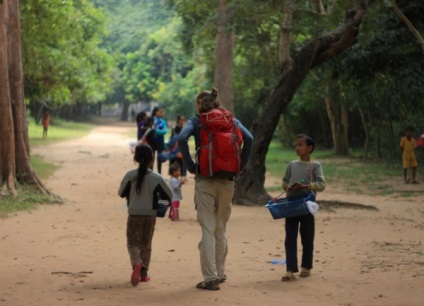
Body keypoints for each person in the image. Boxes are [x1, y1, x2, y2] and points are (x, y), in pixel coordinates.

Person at [178, 87, 253, 290]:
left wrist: (191, 166)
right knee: (221, 227)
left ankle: (210, 278)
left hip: (205, 180)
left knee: (208, 229)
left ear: (200, 105)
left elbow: (181, 138)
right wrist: (240, 168)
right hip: (228, 180)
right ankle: (220, 273)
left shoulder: (197, 121)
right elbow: (250, 139)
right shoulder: (230, 119)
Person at [118, 144, 173, 287]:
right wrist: (160, 208)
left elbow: (121, 193)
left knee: (132, 243)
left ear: (136, 158)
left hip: (134, 214)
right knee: (146, 245)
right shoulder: (157, 177)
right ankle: (144, 274)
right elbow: (169, 195)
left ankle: (137, 262)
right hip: (150, 216)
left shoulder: (130, 175)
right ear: (152, 159)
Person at [281, 134, 326, 282]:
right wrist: (288, 186)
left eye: (300, 145)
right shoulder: (291, 165)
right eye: (296, 145)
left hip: (307, 206)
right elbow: (284, 181)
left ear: (309, 148)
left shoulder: (315, 166)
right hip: (291, 205)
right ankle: (290, 270)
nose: (297, 148)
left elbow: (321, 185)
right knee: (290, 238)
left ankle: (306, 267)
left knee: (307, 237)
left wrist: (305, 186)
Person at [152, 106, 168, 174]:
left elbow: (165, 131)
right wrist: (158, 131)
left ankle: (159, 173)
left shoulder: (163, 121)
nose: (162, 113)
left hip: (160, 142)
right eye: (160, 112)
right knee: (151, 158)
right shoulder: (152, 120)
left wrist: (155, 131)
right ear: (155, 112)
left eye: (162, 112)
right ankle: (150, 172)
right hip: (152, 142)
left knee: (160, 158)